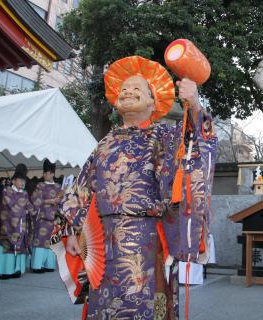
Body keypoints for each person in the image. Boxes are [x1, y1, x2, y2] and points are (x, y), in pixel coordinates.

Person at [51, 56, 217, 319]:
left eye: (137, 89)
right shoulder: (104, 143)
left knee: (144, 304)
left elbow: (200, 140)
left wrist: (194, 103)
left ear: (153, 103)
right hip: (101, 242)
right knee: (103, 304)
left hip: (147, 238)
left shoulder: (164, 136)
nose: (127, 91)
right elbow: (82, 188)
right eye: (124, 88)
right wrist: (70, 230)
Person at [0, 169, 34, 279]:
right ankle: (4, 271)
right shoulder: (6, 191)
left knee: (20, 245)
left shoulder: (25, 193)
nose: (23, 183)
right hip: (8, 225)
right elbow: (9, 206)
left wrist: (34, 211)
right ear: (13, 181)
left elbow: (30, 207)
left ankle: (17, 269)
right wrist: (23, 211)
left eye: (24, 181)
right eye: (20, 180)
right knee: (7, 245)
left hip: (21, 225)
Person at [30, 159, 61, 272]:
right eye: (44, 173)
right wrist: (50, 200)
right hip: (43, 218)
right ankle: (37, 265)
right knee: (40, 240)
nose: (44, 175)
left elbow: (62, 202)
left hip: (54, 219)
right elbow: (35, 200)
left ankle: (49, 265)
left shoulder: (59, 187)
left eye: (46, 173)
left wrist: (59, 200)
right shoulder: (40, 185)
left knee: (52, 242)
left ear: (52, 173)